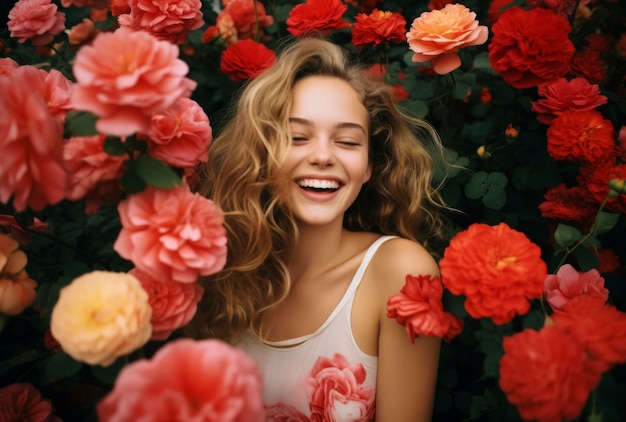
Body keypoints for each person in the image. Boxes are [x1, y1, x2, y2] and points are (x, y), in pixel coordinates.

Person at [191, 36, 450, 421]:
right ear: (263, 154)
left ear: (368, 166)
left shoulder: (399, 272)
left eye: (347, 141)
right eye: (297, 137)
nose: (323, 156)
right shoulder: (218, 273)